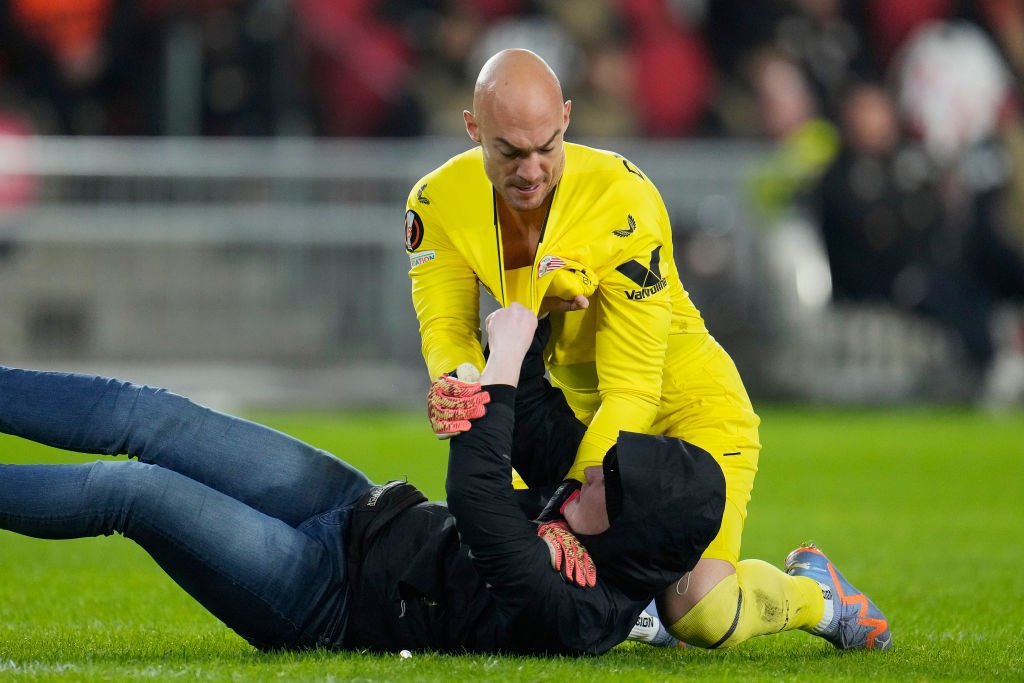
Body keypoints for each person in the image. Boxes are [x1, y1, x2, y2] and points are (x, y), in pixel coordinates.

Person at [407, 48, 892, 651]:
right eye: (509, 151)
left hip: (688, 413)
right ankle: (642, 608)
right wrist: (455, 386)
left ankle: (818, 595)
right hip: (586, 417)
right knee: (533, 557)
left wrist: (563, 514)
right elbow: (447, 333)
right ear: (474, 130)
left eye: (547, 146)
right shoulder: (436, 202)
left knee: (705, 615)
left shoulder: (621, 199)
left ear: (567, 117)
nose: (531, 169)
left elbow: (633, 388)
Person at [0, 304, 727, 655]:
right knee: (153, 416)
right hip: (358, 505)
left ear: (629, 536)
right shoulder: (593, 506)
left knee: (138, 491)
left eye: (614, 483)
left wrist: (500, 359)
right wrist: (534, 324)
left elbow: (478, 497)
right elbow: (531, 417)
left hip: (325, 598)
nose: (597, 466)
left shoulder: (576, 609)